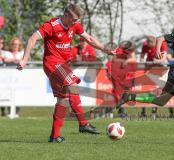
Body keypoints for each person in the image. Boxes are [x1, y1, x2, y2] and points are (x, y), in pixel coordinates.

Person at [17, 4, 113, 143]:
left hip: (61, 64)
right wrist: (25, 59)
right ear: (66, 15)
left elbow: (89, 39)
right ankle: (83, 124)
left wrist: (105, 49)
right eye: (74, 19)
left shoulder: (75, 25)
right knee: (72, 84)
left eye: (77, 20)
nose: (76, 22)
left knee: (63, 99)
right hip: (52, 63)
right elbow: (32, 39)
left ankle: (55, 137)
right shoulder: (52, 25)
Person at [106, 41, 136, 118]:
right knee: (117, 93)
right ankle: (120, 111)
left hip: (123, 74)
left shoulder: (124, 51)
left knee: (121, 93)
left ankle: (111, 109)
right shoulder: (116, 53)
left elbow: (133, 59)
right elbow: (110, 61)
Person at [140, 36, 167, 118]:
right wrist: (143, 61)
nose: (149, 46)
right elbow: (142, 57)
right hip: (148, 69)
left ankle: (154, 111)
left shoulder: (162, 44)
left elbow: (164, 59)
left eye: (151, 45)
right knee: (145, 90)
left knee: (157, 91)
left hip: (159, 68)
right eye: (148, 44)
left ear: (155, 43)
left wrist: (157, 61)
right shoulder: (145, 45)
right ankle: (143, 111)